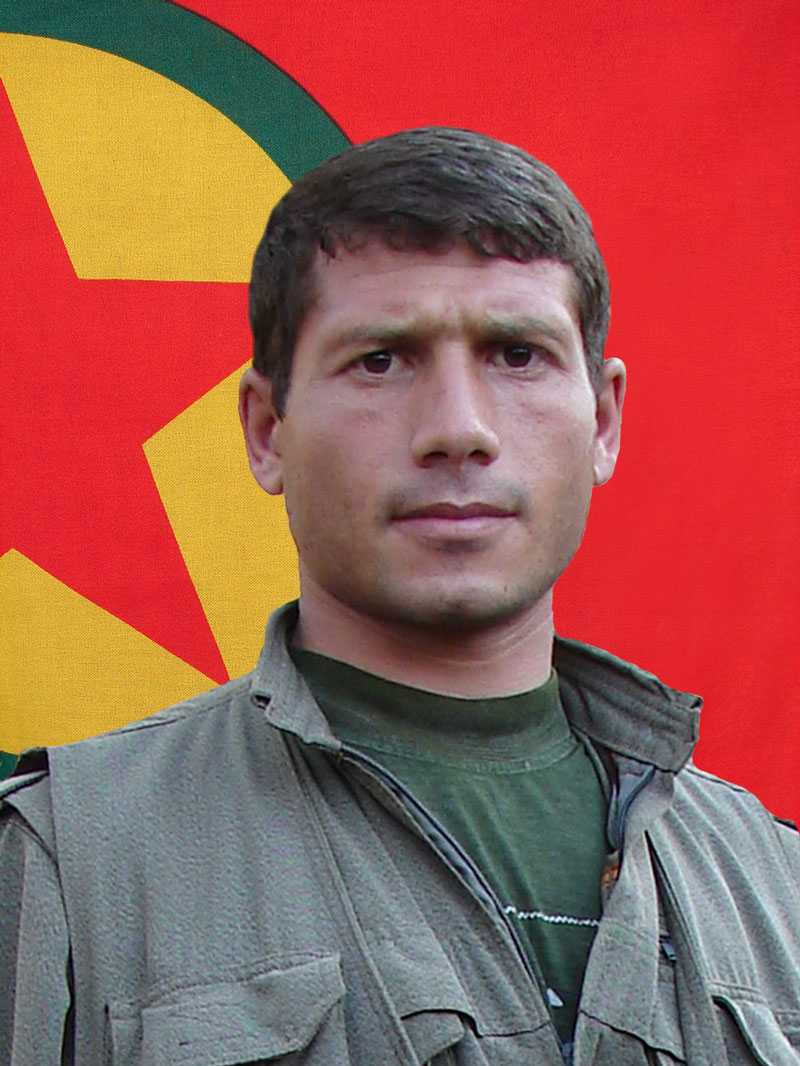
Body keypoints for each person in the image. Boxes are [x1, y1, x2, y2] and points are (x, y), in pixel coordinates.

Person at [1, 127, 798, 1066]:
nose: (458, 428)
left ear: (604, 420)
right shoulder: (67, 868)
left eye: (517, 354)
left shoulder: (775, 887)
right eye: (381, 360)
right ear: (267, 430)